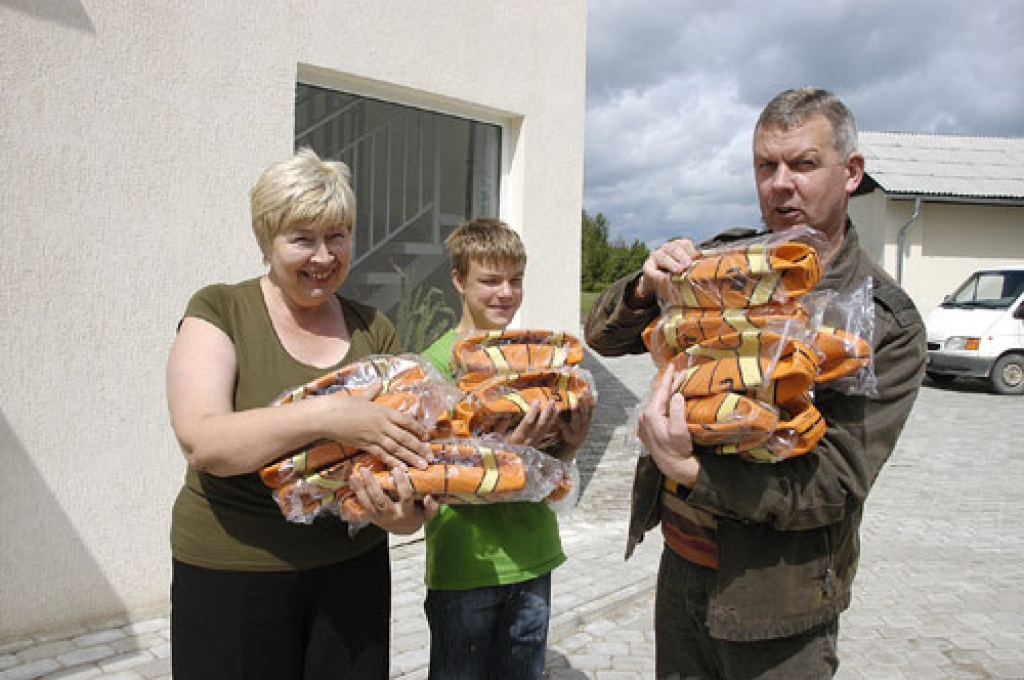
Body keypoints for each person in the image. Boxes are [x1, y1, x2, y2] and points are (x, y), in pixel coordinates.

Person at [584, 87, 927, 679]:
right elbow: (603, 336)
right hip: (682, 572)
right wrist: (645, 288)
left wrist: (694, 471)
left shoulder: (885, 322)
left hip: (781, 605)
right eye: (766, 165)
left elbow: (837, 484)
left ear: (850, 173)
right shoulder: (725, 262)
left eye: (803, 163)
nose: (780, 183)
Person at [166, 148, 439, 679]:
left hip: (350, 575)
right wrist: (329, 415)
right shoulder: (220, 309)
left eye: (337, 236)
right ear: (267, 240)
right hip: (234, 572)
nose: (323, 256)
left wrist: (400, 513)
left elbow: (408, 487)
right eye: (302, 239)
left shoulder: (372, 329)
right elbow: (205, 442)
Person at [419, 218, 593, 679]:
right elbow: (434, 479)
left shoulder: (536, 359)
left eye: (515, 280)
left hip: (534, 556)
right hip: (466, 569)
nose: (506, 293)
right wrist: (505, 457)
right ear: (458, 280)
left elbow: (549, 473)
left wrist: (569, 448)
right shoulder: (436, 366)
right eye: (490, 280)